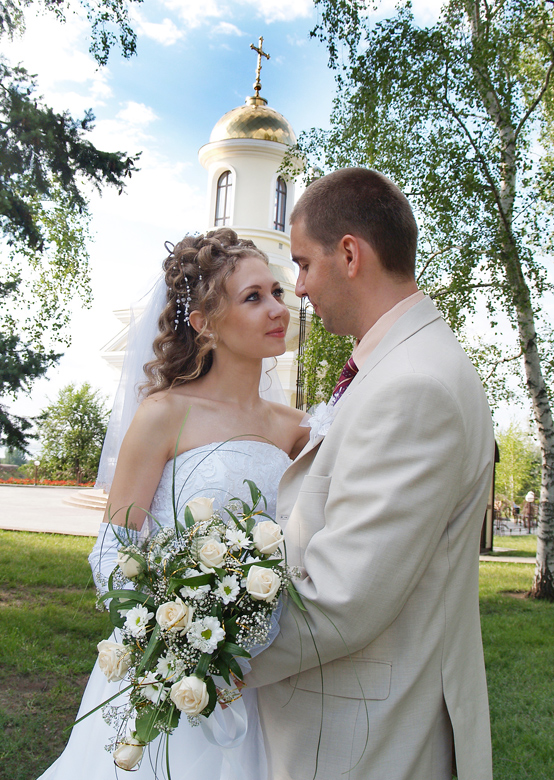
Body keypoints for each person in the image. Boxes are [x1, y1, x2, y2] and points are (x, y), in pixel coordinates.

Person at [245, 168, 495, 780]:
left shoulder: (413, 386)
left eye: (304, 264)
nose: (300, 287)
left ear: (351, 254)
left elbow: (342, 601)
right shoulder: (398, 363)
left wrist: (202, 652)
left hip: (365, 740)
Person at [37, 228, 308, 780]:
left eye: (277, 292)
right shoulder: (164, 414)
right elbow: (113, 550)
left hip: (260, 676)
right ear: (204, 322)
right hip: (167, 669)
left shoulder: (297, 429)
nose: (278, 309)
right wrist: (174, 639)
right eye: (253, 297)